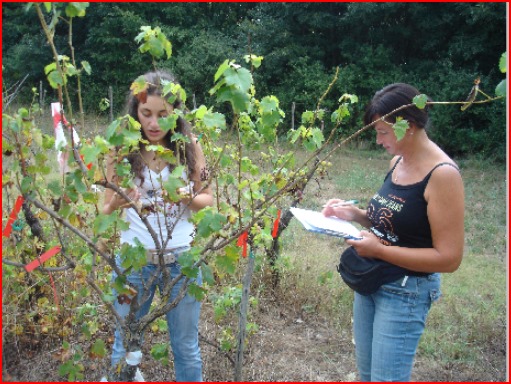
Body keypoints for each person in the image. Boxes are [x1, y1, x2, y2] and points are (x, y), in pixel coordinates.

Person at [322, 83, 464, 381]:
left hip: (406, 293)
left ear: (407, 127)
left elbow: (449, 259)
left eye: (382, 132)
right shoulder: (397, 162)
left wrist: (380, 251)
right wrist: (356, 215)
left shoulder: (443, 175)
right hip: (372, 281)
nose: (378, 140)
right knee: (367, 375)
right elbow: (392, 225)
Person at [102, 70, 214, 382]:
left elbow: (207, 199)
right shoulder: (122, 147)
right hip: (134, 261)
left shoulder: (189, 145)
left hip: (182, 261)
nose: (153, 124)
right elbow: (107, 206)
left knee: (186, 345)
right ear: (135, 112)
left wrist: (187, 198)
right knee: (124, 343)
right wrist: (121, 201)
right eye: (146, 114)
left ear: (175, 114)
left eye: (162, 115)